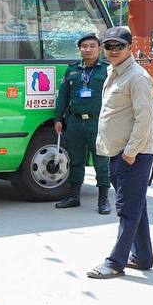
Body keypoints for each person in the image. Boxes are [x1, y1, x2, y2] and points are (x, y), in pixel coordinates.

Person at [88, 26, 153, 279]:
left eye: (120, 46)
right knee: (136, 207)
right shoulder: (112, 72)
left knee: (127, 211)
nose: (114, 50)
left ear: (130, 48)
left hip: (133, 155)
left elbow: (145, 120)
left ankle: (115, 262)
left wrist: (130, 152)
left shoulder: (137, 77)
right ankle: (142, 257)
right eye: (109, 46)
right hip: (117, 152)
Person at [52, 33, 111, 214]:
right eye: (84, 46)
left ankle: (103, 200)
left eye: (92, 46)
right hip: (75, 122)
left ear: (99, 48)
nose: (88, 49)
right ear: (79, 49)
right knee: (75, 160)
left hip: (98, 123)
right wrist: (58, 118)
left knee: (101, 162)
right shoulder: (72, 70)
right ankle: (74, 196)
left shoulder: (107, 70)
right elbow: (63, 95)